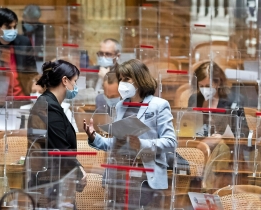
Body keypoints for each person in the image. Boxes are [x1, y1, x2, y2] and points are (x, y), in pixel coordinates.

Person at [83, 59, 176, 209]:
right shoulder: (121, 105)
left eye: (126, 79)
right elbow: (115, 144)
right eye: (120, 79)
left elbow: (171, 142)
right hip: (120, 175)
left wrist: (141, 144)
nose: (122, 83)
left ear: (139, 79)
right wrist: (94, 137)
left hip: (145, 176)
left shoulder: (159, 105)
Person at [27, 60, 86, 209]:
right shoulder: (49, 106)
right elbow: (60, 149)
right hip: (50, 186)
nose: (75, 86)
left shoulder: (49, 103)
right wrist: (79, 172)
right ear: (65, 80)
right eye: (75, 81)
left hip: (53, 182)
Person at [0, 8, 37, 96]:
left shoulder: (24, 42)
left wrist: (33, 86)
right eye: (8, 27)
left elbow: (32, 70)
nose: (12, 30)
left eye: (14, 27)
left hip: (22, 98)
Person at [188, 61, 249, 137]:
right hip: (197, 144)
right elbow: (189, 127)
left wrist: (223, 138)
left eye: (208, 86)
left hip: (223, 146)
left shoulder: (234, 100)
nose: (204, 89)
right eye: (201, 86)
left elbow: (243, 133)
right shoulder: (194, 99)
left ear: (218, 83)